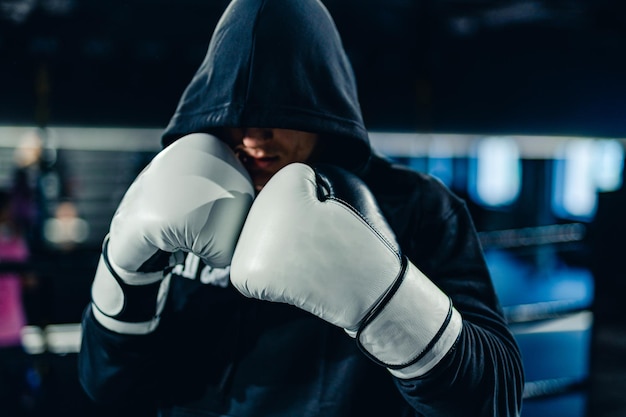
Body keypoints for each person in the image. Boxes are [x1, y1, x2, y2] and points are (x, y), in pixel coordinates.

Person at [78, 0, 524, 416]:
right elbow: (109, 386)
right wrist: (125, 275)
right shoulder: (178, 193)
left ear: (319, 104)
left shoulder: (417, 207)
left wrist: (390, 303)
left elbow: (495, 400)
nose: (254, 136)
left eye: (279, 109)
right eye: (235, 112)